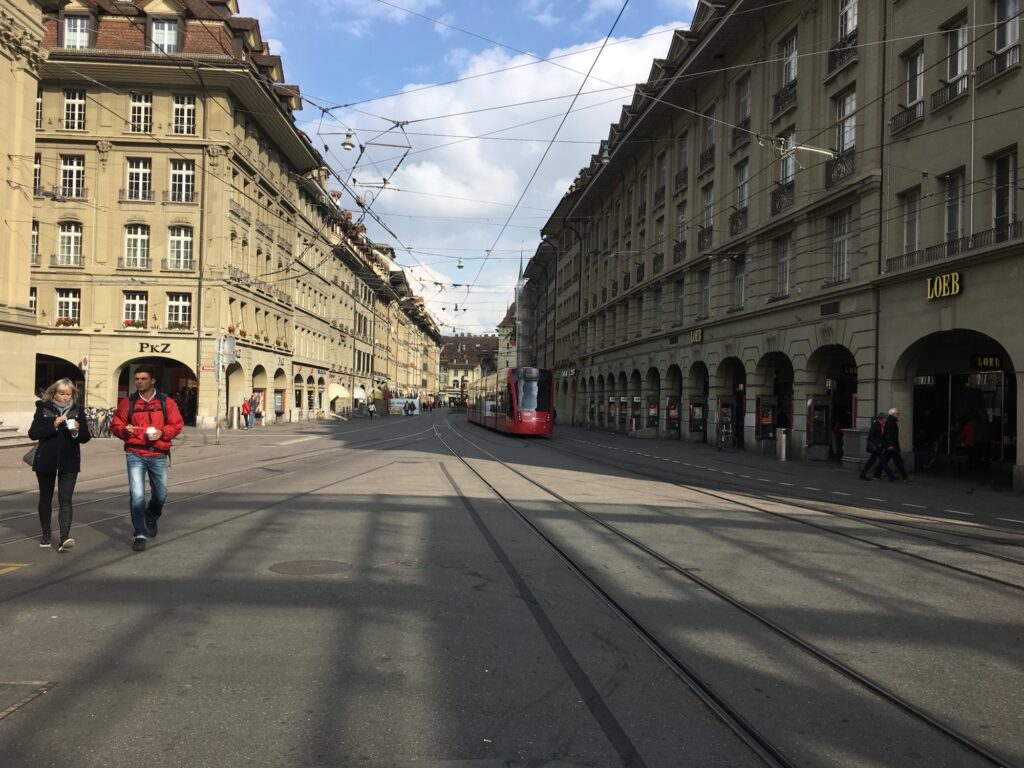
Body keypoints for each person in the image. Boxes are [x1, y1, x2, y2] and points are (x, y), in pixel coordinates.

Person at [110, 366, 184, 552]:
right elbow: (116, 424)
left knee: (160, 495)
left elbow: (177, 424)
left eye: (143, 378)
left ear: (153, 381)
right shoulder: (128, 403)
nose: (139, 381)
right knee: (137, 496)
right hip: (135, 452)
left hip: (158, 453)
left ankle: (151, 517)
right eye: (137, 378)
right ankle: (140, 533)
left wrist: (162, 432)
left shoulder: (166, 402)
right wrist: (123, 430)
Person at [28, 378, 92, 552]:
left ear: (73, 394)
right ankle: (46, 534)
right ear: (54, 393)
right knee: (45, 499)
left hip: (69, 461)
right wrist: (53, 425)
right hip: (46, 460)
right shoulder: (43, 409)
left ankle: (64, 537)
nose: (65, 397)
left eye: (68, 394)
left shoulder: (78, 410)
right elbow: (33, 433)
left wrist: (76, 431)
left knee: (66, 500)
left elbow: (86, 437)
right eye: (61, 393)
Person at [860, 413, 895, 481]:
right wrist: (878, 442)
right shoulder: (875, 425)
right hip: (876, 446)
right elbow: (871, 436)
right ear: (881, 419)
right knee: (883, 461)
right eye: (885, 418)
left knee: (871, 461)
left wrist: (889, 445)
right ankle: (891, 476)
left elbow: (885, 437)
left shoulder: (884, 425)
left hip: (880, 446)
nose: (886, 419)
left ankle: (862, 474)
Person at [880, 407, 910, 481]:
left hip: (890, 444)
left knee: (885, 460)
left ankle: (877, 474)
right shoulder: (891, 422)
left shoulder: (890, 421)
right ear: (892, 414)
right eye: (897, 413)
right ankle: (905, 476)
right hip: (892, 445)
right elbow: (889, 434)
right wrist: (891, 445)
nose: (898, 414)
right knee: (898, 460)